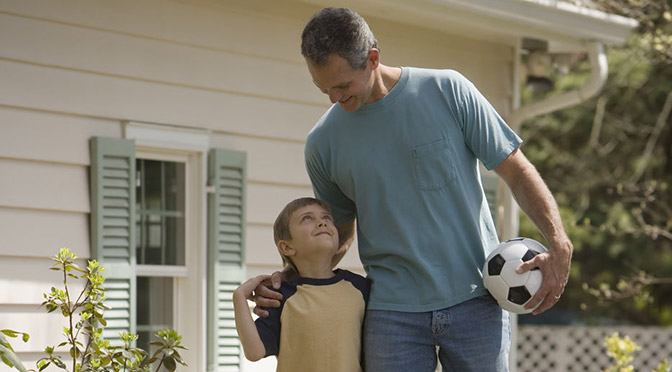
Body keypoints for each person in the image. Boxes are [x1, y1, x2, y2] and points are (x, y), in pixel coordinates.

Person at [253, 7, 573, 371]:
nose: (333, 99)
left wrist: (559, 243)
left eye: (342, 86)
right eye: (323, 88)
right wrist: (290, 282)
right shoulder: (323, 143)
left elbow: (516, 171)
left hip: (476, 302)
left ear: (373, 58)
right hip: (391, 315)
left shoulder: (448, 91)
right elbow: (336, 234)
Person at [233, 197, 370, 372]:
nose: (321, 222)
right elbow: (254, 352)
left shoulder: (360, 288)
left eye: (326, 217)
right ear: (287, 247)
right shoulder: (280, 295)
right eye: (307, 218)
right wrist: (239, 297)